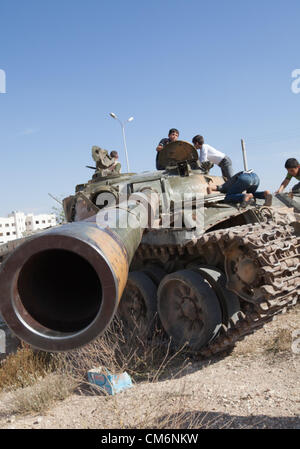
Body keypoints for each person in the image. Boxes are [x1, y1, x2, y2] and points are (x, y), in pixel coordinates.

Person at [207, 170, 272, 206]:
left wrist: (211, 202)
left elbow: (209, 187)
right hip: (256, 178)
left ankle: (245, 196)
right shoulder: (233, 185)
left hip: (245, 178)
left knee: (227, 197)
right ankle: (265, 194)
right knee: (252, 194)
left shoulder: (224, 187)